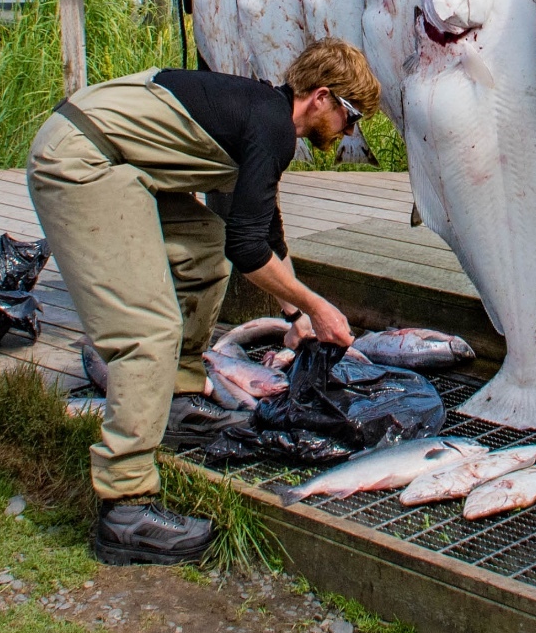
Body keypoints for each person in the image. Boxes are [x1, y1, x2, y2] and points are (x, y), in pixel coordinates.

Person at [26, 38, 378, 565]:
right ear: (321, 97)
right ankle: (125, 508)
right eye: (350, 118)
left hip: (116, 158)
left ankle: (180, 400)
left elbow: (260, 232)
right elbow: (250, 251)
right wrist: (319, 306)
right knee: (148, 330)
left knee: (205, 249)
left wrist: (297, 314)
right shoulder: (272, 126)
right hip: (84, 160)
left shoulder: (260, 115)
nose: (350, 132)